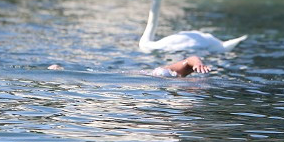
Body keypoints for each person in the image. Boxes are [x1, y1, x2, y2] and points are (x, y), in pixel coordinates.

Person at [47, 55, 212, 78]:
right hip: (147, 74)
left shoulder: (186, 82)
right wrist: (198, 64)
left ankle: (62, 71)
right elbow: (190, 59)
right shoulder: (182, 74)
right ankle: (63, 70)